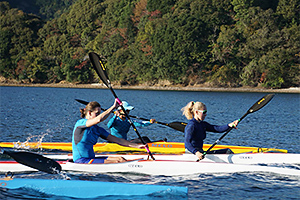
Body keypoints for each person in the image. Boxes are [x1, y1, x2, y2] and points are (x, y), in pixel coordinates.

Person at [72, 99, 146, 164]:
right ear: (89, 113)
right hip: (81, 161)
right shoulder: (80, 123)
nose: (98, 115)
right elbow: (99, 119)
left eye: (99, 113)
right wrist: (113, 107)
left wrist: (137, 146)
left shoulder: (97, 129)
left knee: (120, 159)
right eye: (97, 113)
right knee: (117, 162)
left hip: (91, 159)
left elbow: (118, 140)